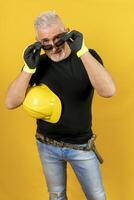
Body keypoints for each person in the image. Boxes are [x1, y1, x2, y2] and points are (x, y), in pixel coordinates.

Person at [5, 11, 116, 200]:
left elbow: (108, 91)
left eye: (58, 38)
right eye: (45, 42)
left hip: (81, 146)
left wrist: (82, 51)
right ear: (38, 41)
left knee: (97, 197)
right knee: (56, 197)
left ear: (67, 32)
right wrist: (27, 68)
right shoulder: (37, 63)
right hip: (47, 145)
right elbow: (10, 102)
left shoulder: (86, 57)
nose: (53, 47)